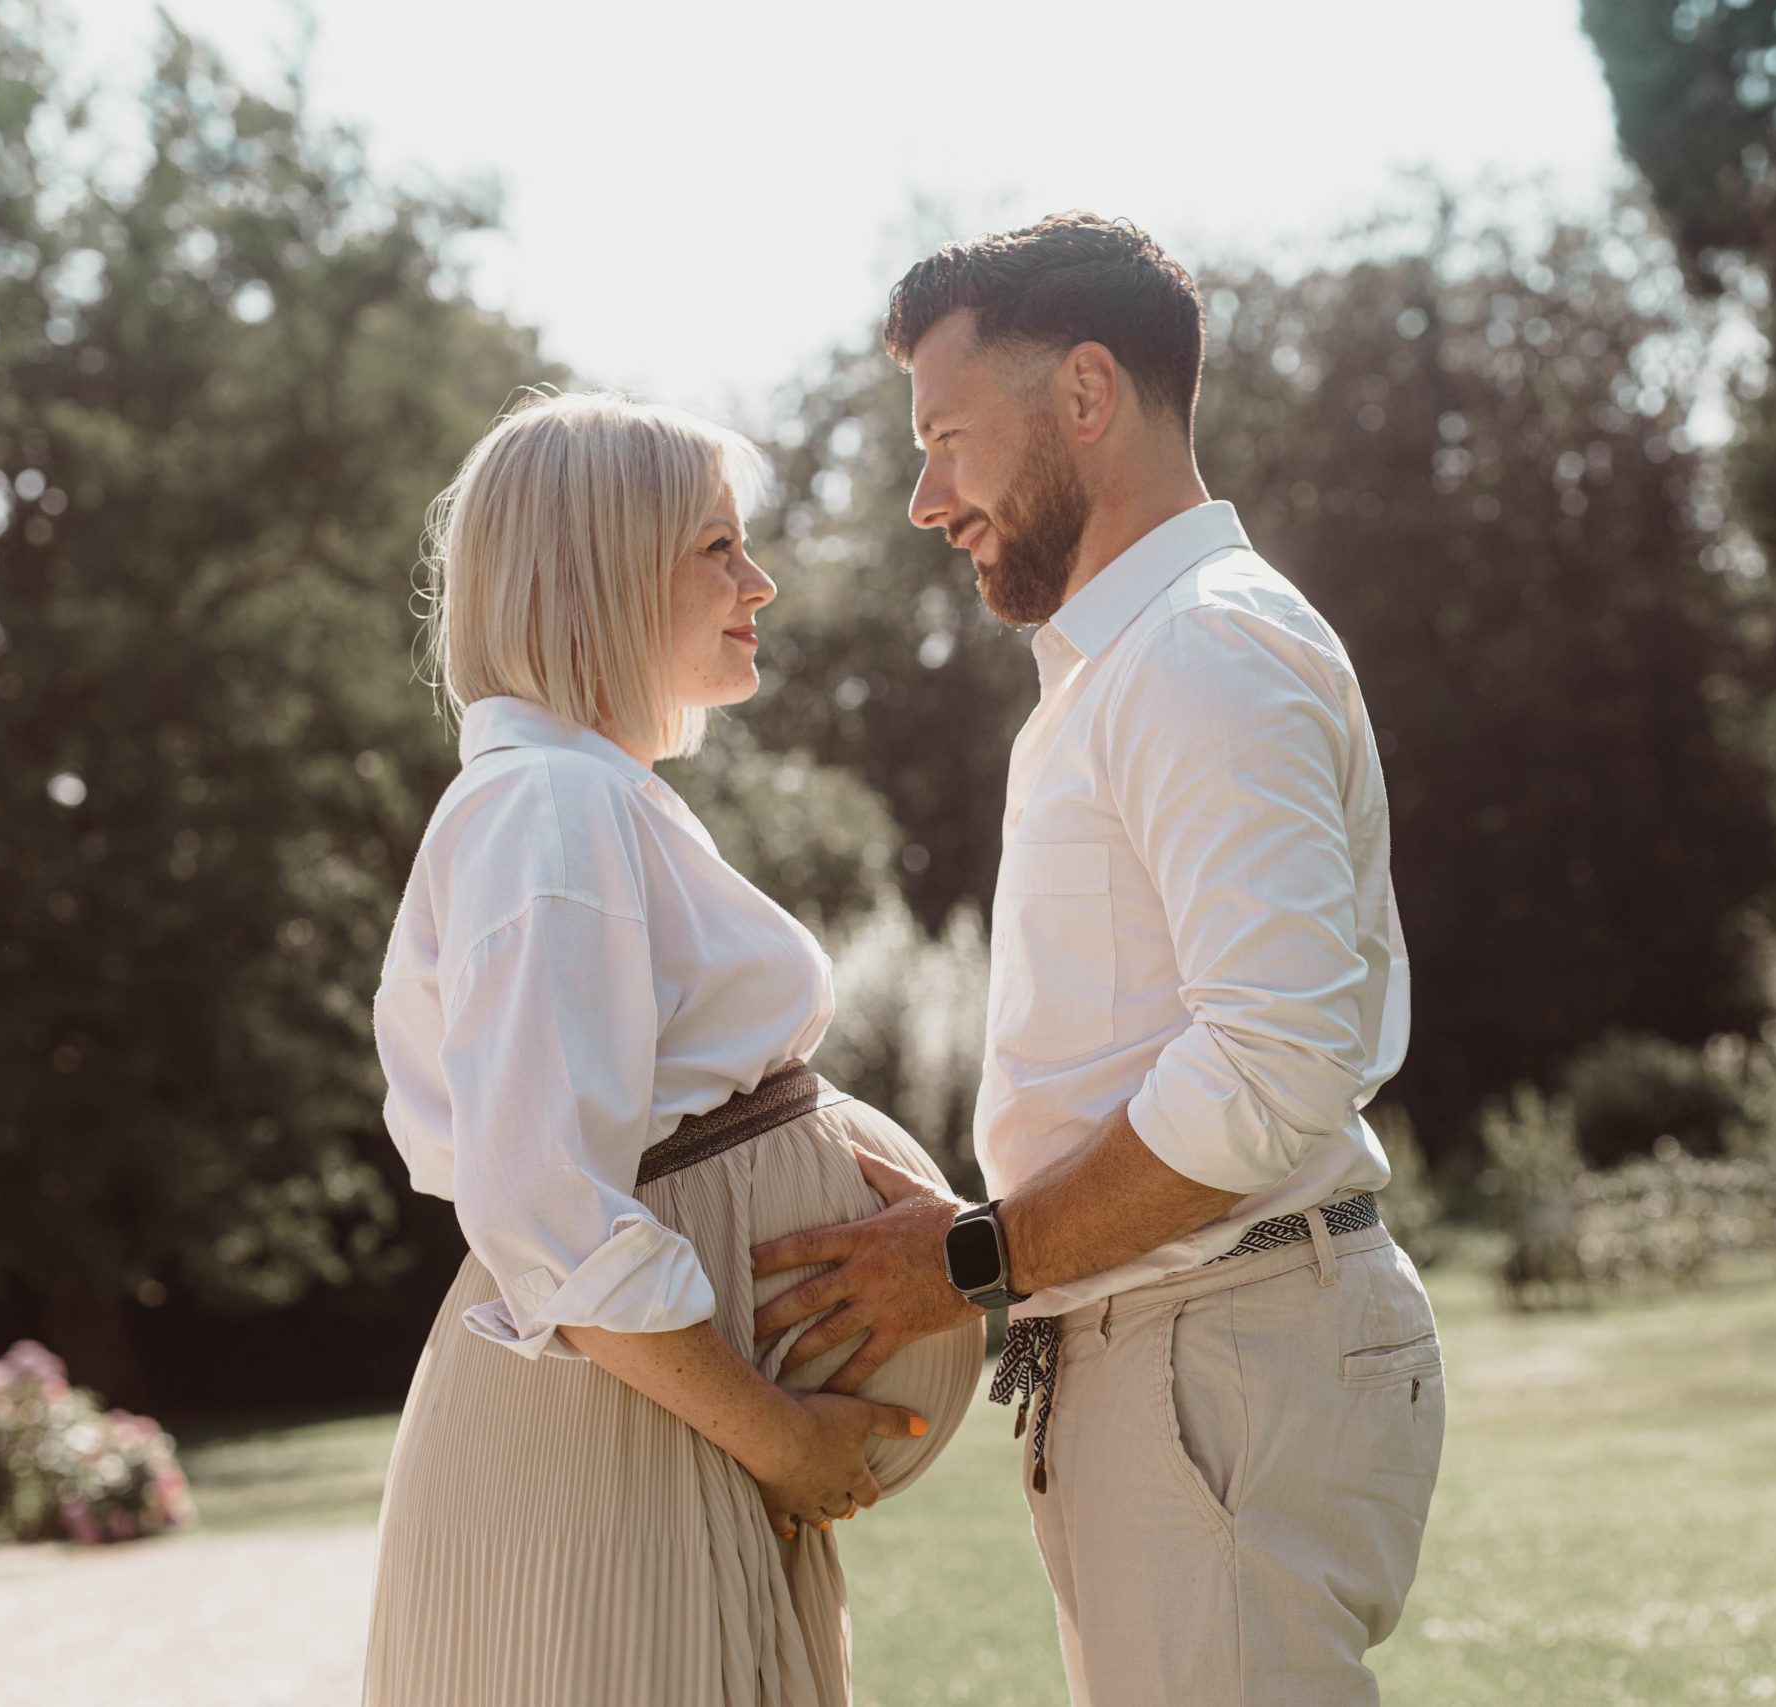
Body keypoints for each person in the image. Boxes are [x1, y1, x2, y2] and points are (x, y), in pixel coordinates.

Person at [750, 213, 1444, 1706]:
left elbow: (1276, 1064)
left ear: (1083, 395)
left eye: (948, 436)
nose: (927, 497)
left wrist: (976, 1258)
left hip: (1225, 1352)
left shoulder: (1204, 651)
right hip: (1174, 1348)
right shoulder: (1115, 669)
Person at [359, 391, 985, 1707]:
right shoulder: (551, 810)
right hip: (629, 1440)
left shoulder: (586, 799)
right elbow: (545, 1205)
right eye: (717, 547)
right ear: (601, 566)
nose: (759, 581)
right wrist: (778, 1438)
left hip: (653, 1430)